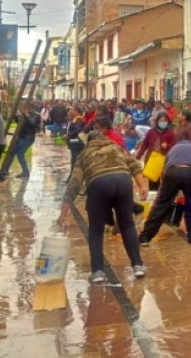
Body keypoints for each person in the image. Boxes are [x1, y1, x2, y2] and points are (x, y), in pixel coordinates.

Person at [58, 116, 149, 282]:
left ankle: (98, 271)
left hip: (99, 185)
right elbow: (134, 165)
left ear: (89, 142)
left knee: (95, 229)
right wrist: (142, 186)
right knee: (127, 224)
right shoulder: (115, 147)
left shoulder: (85, 154)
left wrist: (63, 213)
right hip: (123, 182)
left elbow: (74, 185)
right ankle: (138, 265)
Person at [140, 137, 191, 245]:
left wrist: (164, 191)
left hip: (171, 173)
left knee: (161, 205)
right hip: (189, 173)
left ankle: (145, 237)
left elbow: (164, 172)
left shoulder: (173, 149)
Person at [136, 112, 177, 191]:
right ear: (157, 121)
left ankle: (164, 200)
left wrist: (167, 146)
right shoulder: (151, 132)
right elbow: (145, 144)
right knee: (153, 184)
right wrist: (139, 155)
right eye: (161, 120)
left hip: (165, 161)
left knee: (166, 183)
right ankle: (155, 200)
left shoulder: (170, 133)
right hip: (152, 161)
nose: (163, 122)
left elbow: (174, 147)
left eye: (165, 121)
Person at [13, 102, 42, 178]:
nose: (24, 109)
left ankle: (26, 171)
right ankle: (5, 170)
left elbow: (33, 123)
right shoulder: (25, 115)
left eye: (25, 108)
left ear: (30, 108)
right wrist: (16, 116)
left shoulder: (36, 115)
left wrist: (27, 115)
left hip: (27, 137)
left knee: (20, 154)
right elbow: (19, 122)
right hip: (22, 137)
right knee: (13, 152)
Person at [66, 107, 87, 171]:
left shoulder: (79, 119)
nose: (70, 111)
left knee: (75, 160)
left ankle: (73, 175)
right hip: (73, 142)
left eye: (72, 110)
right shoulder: (73, 119)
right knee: (74, 159)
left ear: (77, 112)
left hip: (77, 143)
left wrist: (68, 135)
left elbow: (78, 130)